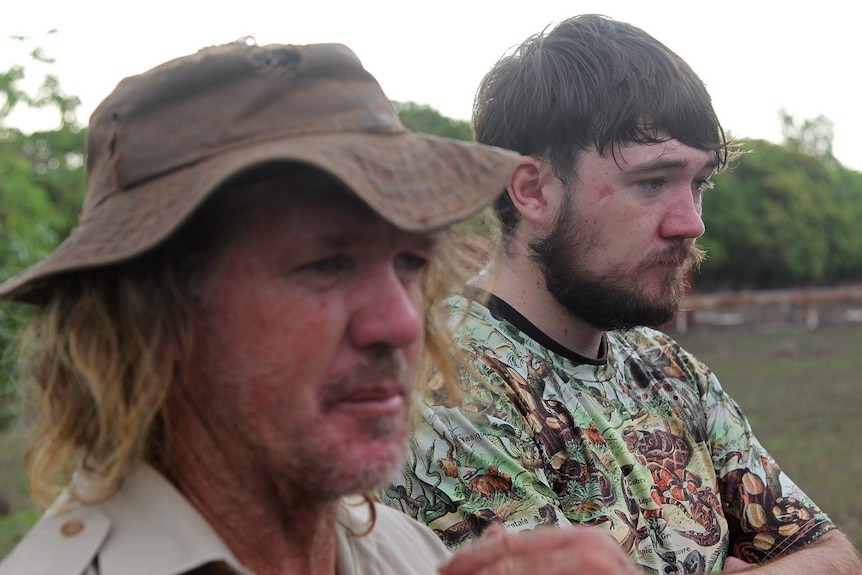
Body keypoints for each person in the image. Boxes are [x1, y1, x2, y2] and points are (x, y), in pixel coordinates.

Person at [0, 40, 643, 575]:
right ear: (151, 319)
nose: (400, 323)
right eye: (326, 265)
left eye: (411, 263)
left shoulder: (400, 550)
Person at [382, 14, 862, 574]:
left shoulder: (670, 370)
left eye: (698, 183)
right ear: (533, 191)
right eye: (652, 182)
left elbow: (834, 556)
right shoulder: (444, 385)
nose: (691, 223)